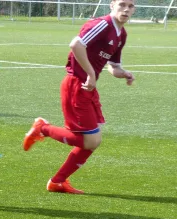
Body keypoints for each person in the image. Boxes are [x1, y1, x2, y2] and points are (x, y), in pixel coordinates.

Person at [23, 0, 136, 194]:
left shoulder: (121, 34)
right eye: (122, 4)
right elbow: (76, 44)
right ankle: (43, 128)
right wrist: (91, 74)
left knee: (92, 141)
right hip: (76, 84)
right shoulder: (102, 24)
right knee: (91, 140)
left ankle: (57, 181)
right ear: (112, 5)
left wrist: (123, 73)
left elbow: (113, 66)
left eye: (131, 6)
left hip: (87, 88)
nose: (126, 9)